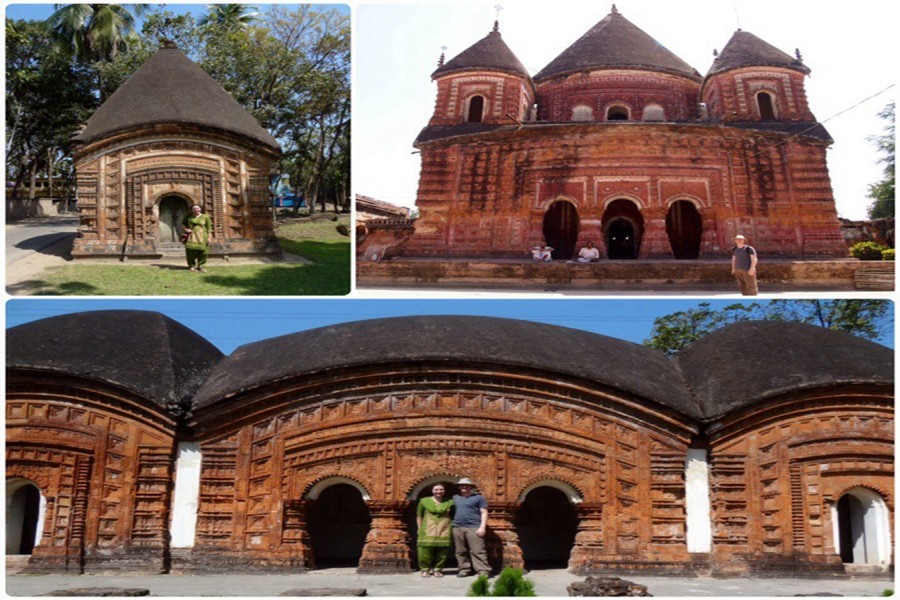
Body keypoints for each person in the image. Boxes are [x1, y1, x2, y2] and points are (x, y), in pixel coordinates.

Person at [452, 477, 490, 578]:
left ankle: (483, 571)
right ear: (459, 487)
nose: (464, 487)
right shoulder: (455, 498)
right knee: (460, 551)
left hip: (474, 526)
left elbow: (484, 512)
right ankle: (464, 569)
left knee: (478, 550)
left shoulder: (478, 498)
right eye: (462, 485)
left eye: (466, 485)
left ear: (470, 487)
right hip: (458, 526)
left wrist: (482, 527)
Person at [416, 484, 454, 577]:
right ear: (432, 491)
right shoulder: (424, 501)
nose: (439, 491)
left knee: (442, 551)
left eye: (441, 489)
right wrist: (419, 527)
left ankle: (438, 569)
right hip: (427, 528)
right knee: (425, 550)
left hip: (444, 529)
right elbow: (419, 515)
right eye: (436, 489)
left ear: (444, 491)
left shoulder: (450, 502)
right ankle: (425, 569)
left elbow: (453, 515)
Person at [182, 204, 213, 272]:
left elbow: (209, 228)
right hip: (191, 236)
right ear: (192, 210)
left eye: (197, 208)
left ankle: (201, 266)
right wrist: (186, 229)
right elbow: (182, 224)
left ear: (200, 209)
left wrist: (209, 237)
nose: (196, 210)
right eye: (194, 209)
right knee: (190, 251)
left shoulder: (205, 217)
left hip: (203, 236)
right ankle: (192, 266)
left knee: (204, 252)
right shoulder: (188, 217)